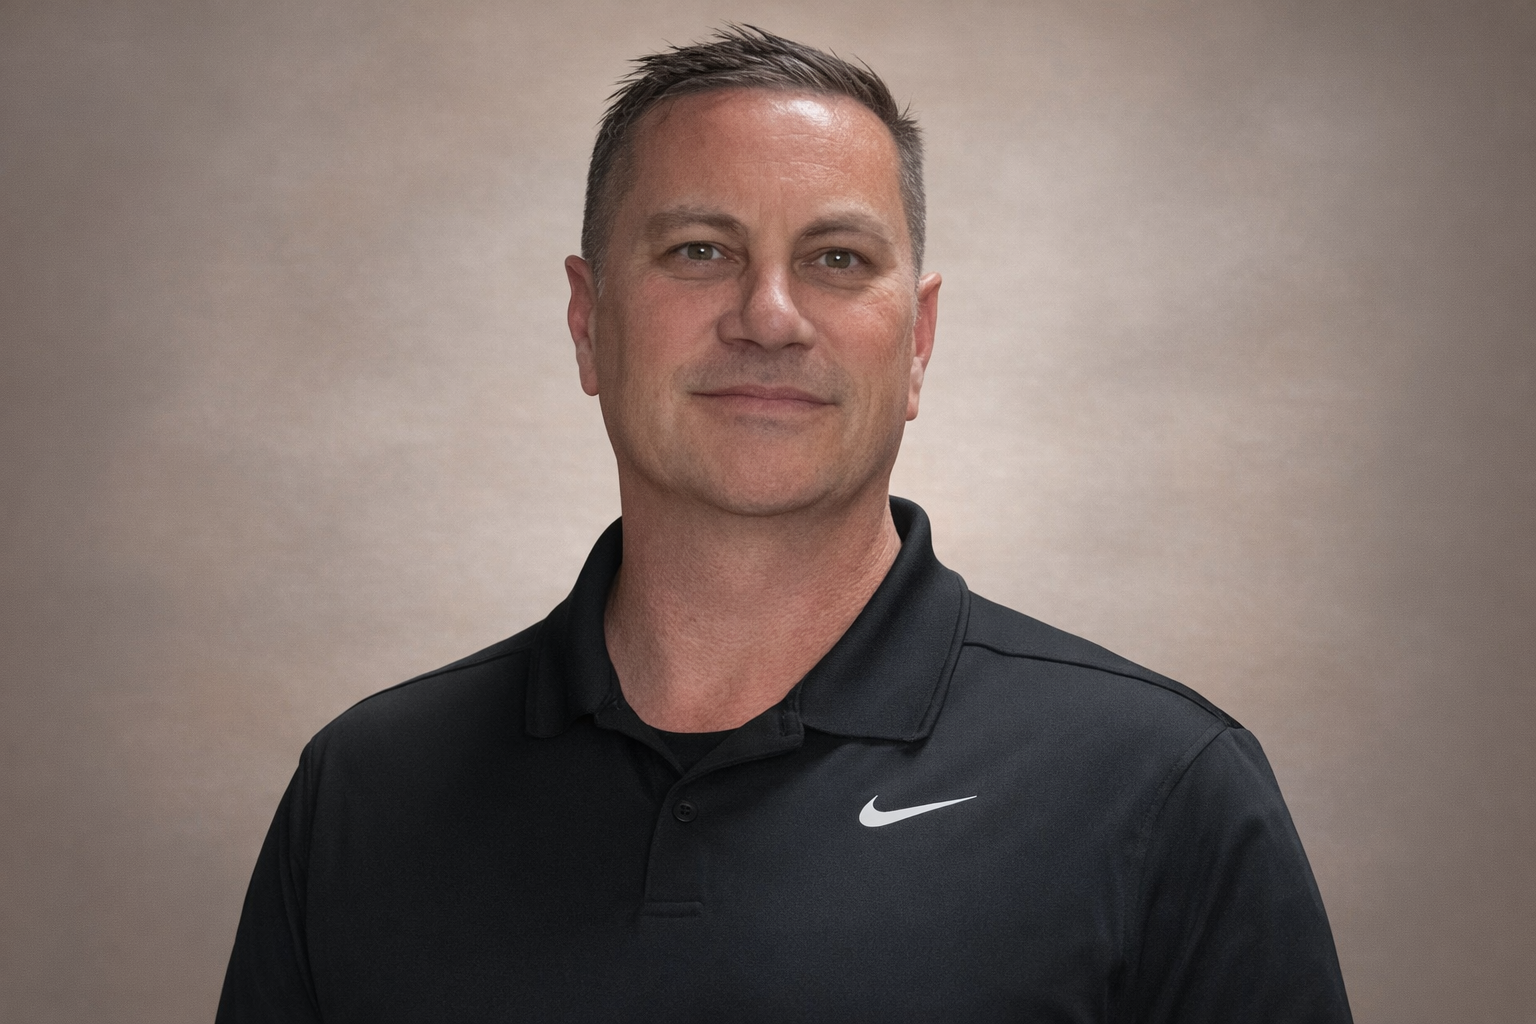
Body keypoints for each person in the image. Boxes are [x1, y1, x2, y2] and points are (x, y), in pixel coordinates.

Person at [216, 26, 1353, 1023]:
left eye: (838, 260)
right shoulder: (364, 790)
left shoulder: (1161, 788)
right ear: (586, 319)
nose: (769, 315)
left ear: (916, 341)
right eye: (699, 250)